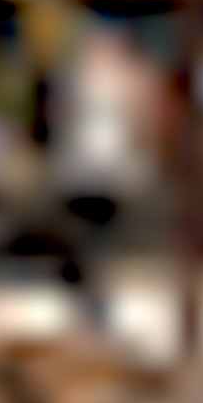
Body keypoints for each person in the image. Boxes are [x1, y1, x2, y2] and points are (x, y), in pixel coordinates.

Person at [52, 17, 158, 330]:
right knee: (81, 237)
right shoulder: (79, 75)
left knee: (108, 239)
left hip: (115, 169)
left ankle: (100, 301)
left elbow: (144, 121)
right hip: (83, 168)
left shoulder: (134, 77)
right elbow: (65, 117)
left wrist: (142, 158)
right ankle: (87, 298)